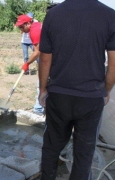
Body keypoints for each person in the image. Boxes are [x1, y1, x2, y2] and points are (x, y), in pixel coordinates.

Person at [38, 0, 115, 179]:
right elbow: (113, 64)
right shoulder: (110, 15)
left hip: (58, 95)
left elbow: (45, 59)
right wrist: (107, 90)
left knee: (51, 146)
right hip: (91, 98)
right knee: (84, 152)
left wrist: (43, 89)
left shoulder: (54, 14)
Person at [15, 14, 44, 115]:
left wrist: (27, 63)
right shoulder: (37, 25)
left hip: (49, 60)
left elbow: (37, 52)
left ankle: (38, 109)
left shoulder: (34, 31)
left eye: (21, 27)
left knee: (41, 83)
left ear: (28, 23)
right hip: (50, 58)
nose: (21, 30)